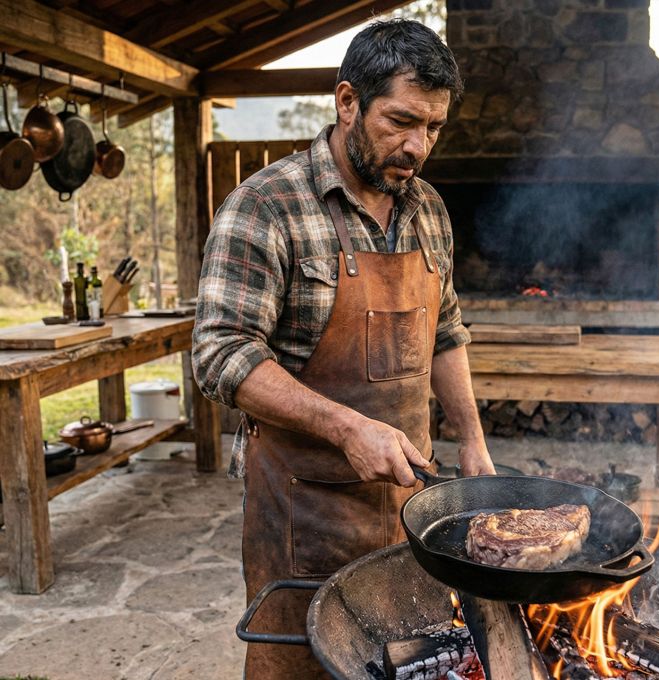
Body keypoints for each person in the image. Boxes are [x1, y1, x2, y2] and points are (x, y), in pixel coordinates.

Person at [192, 18, 495, 679]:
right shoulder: (266, 207)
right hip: (303, 517)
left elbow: (446, 329)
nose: (417, 146)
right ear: (348, 101)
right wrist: (347, 426)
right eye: (401, 121)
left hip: (410, 512)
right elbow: (219, 353)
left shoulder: (429, 211)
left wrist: (471, 438)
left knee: (407, 662)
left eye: (434, 128)